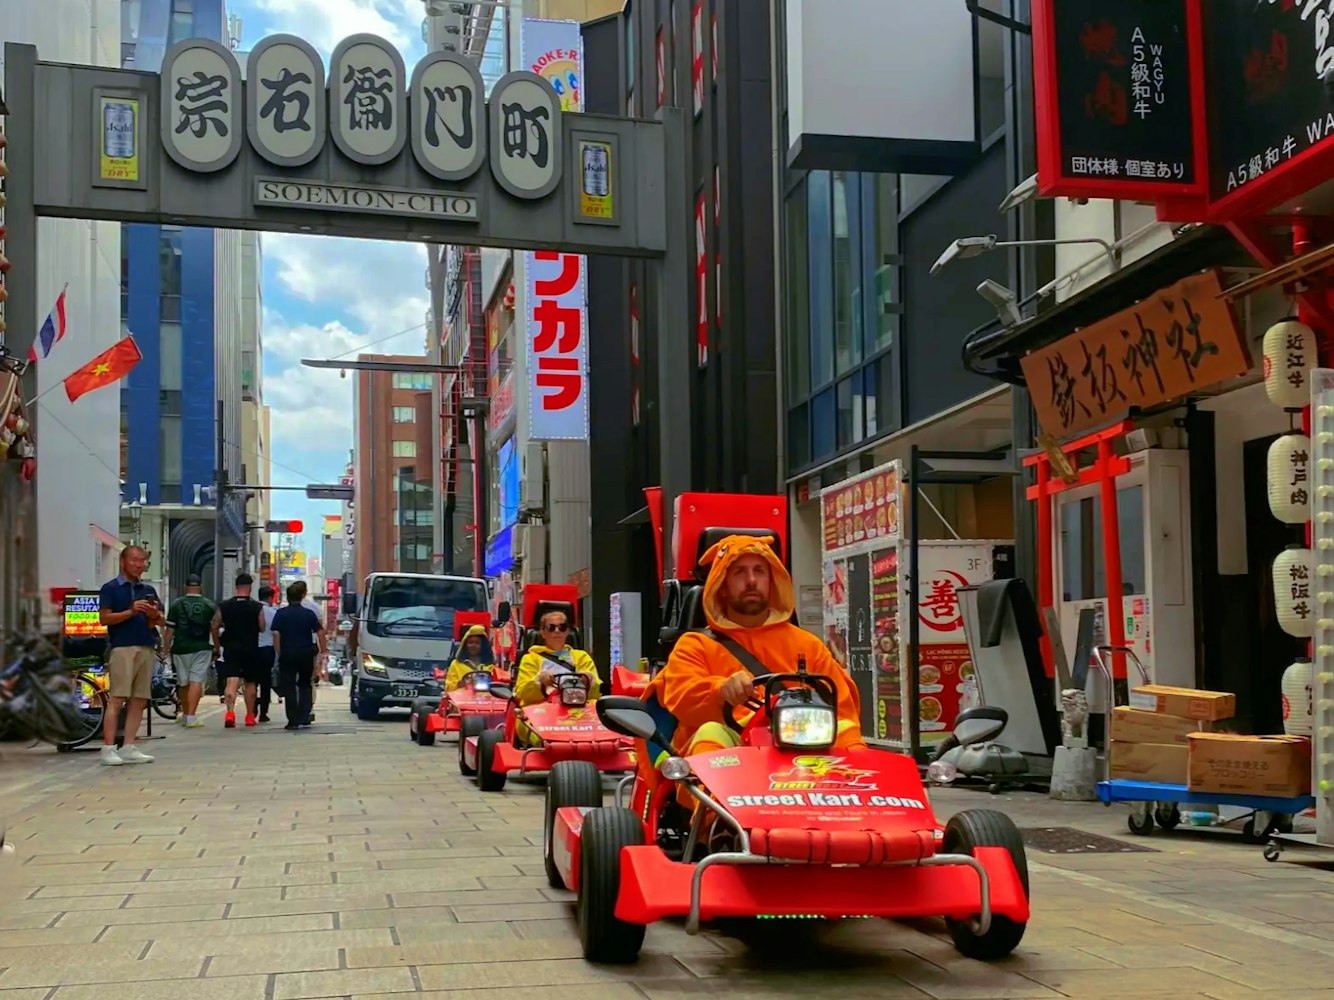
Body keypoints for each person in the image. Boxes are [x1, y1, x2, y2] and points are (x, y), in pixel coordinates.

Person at [646, 533, 864, 761]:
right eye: (739, 572)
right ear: (722, 585)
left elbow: (842, 710)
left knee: (846, 731)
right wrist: (720, 690)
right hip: (730, 752)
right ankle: (710, 797)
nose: (751, 580)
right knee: (710, 733)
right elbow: (682, 699)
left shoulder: (808, 645)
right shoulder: (694, 645)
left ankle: (865, 792)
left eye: (759, 571)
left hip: (802, 749)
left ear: (773, 581)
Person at [96, 545, 163, 765]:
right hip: (122, 647)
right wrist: (131, 611)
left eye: (143, 560)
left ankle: (129, 745)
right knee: (117, 698)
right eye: (134, 560)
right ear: (123, 561)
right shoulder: (111, 588)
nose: (139, 564)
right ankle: (108, 747)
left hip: (146, 645)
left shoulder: (148, 590)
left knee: (140, 699)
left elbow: (160, 620)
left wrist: (153, 614)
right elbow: (104, 618)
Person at [513, 609, 599, 746]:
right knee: (539, 736)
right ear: (543, 632)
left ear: (567, 631)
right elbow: (521, 692)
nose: (557, 631)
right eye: (551, 627)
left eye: (562, 627)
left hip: (579, 707)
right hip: (541, 709)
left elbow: (596, 691)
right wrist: (538, 682)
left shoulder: (581, 657)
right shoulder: (530, 658)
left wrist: (589, 680)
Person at [213, 573, 267, 728]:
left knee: (231, 681)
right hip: (251, 649)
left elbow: (214, 626)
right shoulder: (257, 607)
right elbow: (262, 627)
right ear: (250, 588)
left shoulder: (224, 606)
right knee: (250, 683)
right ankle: (250, 716)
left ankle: (230, 714)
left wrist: (218, 645)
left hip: (231, 648)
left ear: (236, 587)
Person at [272, 582, 327, 730]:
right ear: (303, 595)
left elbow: (276, 634)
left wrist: (279, 652)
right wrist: (324, 651)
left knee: (289, 686)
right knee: (305, 685)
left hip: (287, 653)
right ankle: (304, 715)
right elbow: (320, 632)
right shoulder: (308, 614)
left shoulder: (281, 613)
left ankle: (292, 719)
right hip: (305, 653)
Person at [163, 573, 215, 729]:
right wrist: (217, 647)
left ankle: (185, 714)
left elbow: (169, 629)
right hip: (201, 647)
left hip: (180, 648)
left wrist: (166, 648)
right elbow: (214, 628)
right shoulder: (209, 605)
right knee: (196, 681)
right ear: (200, 587)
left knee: (183, 682)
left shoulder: (176, 604)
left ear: (186, 587)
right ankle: (192, 716)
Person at [444, 624, 496, 689]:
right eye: (470, 643)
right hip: (461, 698)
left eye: (477, 643)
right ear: (465, 645)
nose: (473, 645)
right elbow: (448, 688)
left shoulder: (492, 666)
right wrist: (460, 684)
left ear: (483, 646)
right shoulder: (455, 664)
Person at [255, 585, 279, 723]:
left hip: (252, 650)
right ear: (270, 597)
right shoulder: (273, 612)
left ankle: (252, 709)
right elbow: (277, 634)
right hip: (267, 650)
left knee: (252, 681)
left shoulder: (253, 610)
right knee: (265, 683)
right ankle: (263, 713)